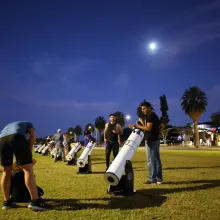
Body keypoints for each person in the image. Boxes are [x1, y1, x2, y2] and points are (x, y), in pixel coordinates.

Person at [0, 121, 50, 210]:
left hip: (1, 140)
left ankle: (7, 202)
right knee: (28, 170)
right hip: (17, 137)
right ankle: (35, 201)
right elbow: (32, 136)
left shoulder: (8, 125)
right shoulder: (29, 123)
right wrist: (29, 151)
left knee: (6, 172)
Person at [129, 102, 163, 184]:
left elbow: (148, 128)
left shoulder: (150, 116)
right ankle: (159, 178)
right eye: (142, 109)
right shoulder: (155, 115)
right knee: (156, 159)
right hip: (156, 139)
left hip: (151, 140)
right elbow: (162, 126)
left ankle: (152, 179)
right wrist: (157, 131)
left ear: (149, 108)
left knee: (151, 160)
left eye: (144, 108)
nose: (143, 110)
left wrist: (137, 125)